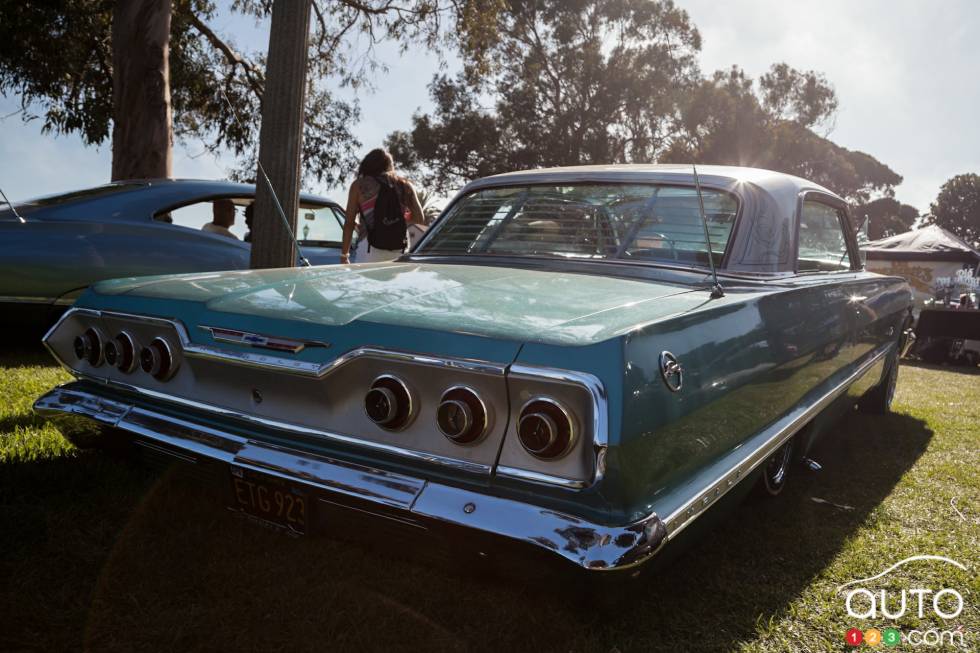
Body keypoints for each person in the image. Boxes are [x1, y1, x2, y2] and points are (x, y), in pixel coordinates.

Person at [341, 148, 424, 263]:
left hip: (369, 247)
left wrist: (344, 255)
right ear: (390, 166)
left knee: (365, 281)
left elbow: (349, 224)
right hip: (399, 247)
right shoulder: (405, 185)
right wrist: (395, 218)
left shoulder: (359, 186)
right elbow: (419, 217)